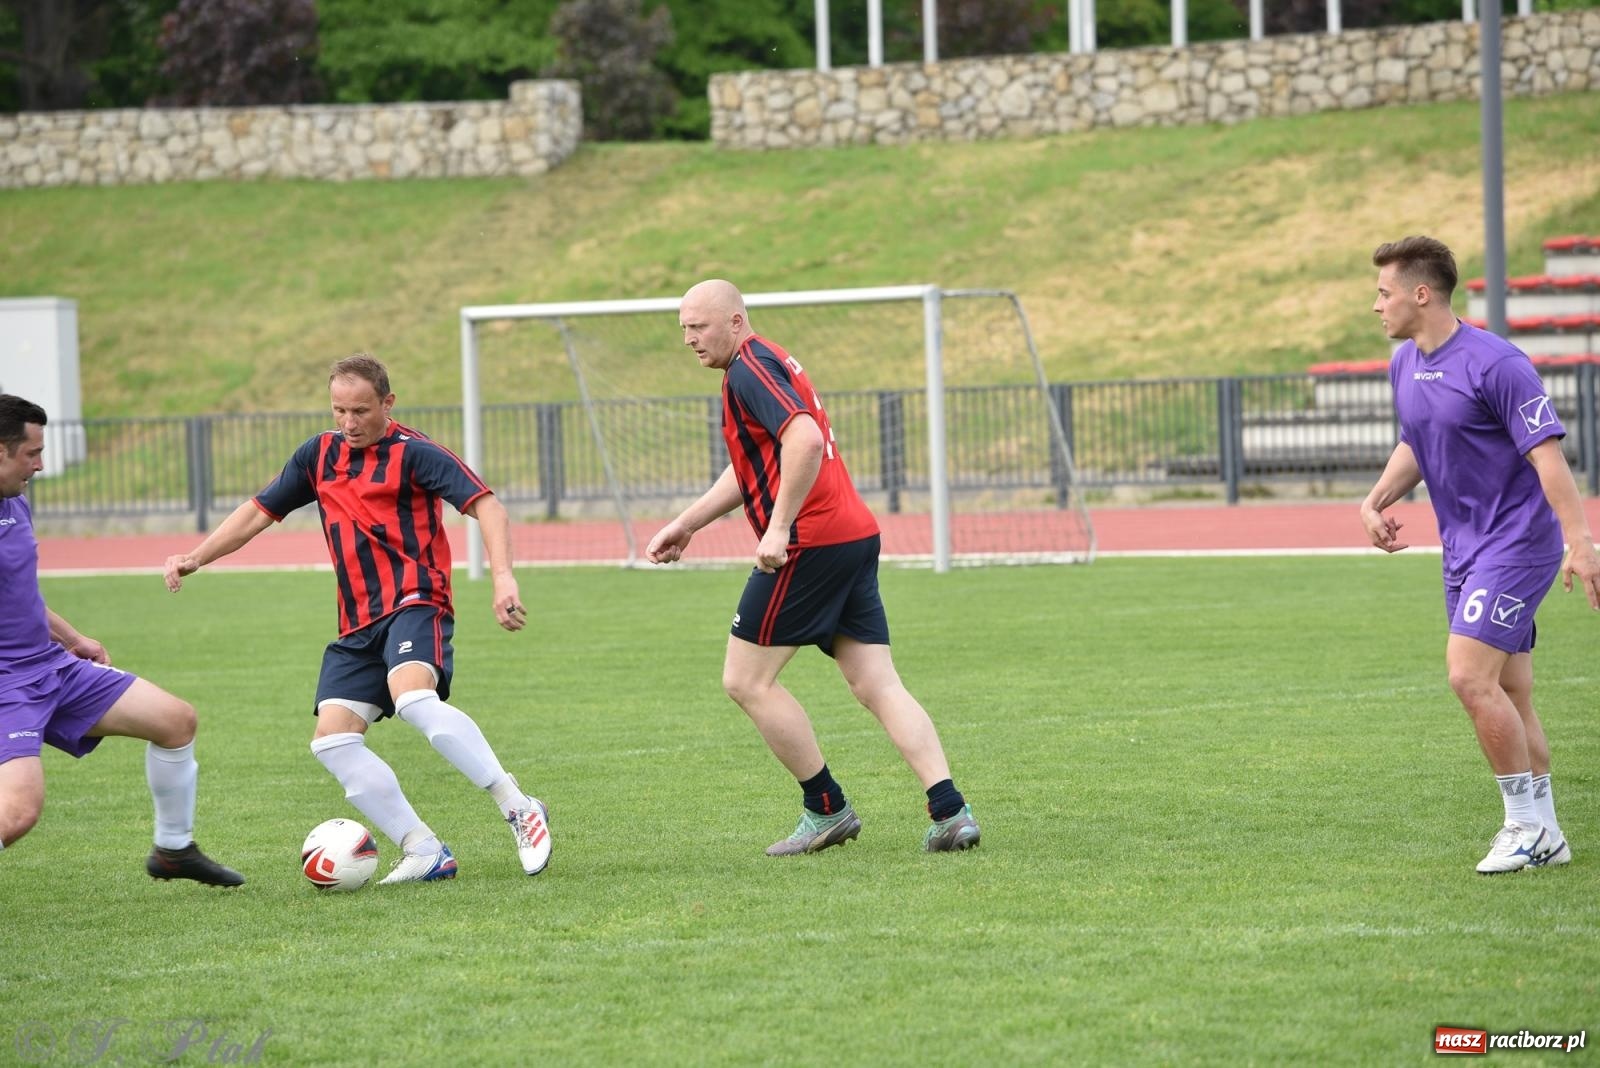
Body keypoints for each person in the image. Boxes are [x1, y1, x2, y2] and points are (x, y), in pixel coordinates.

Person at [163, 354, 551, 883]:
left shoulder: (416, 455)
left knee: (415, 700)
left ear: (387, 404)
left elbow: (488, 506)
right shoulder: (318, 454)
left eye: (361, 410)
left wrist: (503, 577)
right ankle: (424, 849)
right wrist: (197, 556)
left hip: (416, 602)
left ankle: (518, 805)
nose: (349, 423)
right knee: (332, 740)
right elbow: (259, 510)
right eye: (339, 410)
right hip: (357, 624)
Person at [647, 279, 980, 856]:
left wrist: (778, 530)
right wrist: (689, 522)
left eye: (698, 326)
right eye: (683, 328)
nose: (688, 340)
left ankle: (826, 809)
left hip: (811, 543)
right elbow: (758, 462)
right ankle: (950, 810)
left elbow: (800, 439)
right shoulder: (767, 360)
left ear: (734, 321)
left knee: (745, 680)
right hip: (853, 533)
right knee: (876, 681)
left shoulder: (749, 368)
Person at [1360, 235, 1600, 874]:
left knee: (1468, 676)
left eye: (1384, 293)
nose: (1375, 306)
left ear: (1421, 293)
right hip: (1463, 548)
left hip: (1518, 544)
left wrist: (1581, 542)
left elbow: (1548, 457)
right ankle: (1547, 835)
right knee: (1512, 691)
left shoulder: (1498, 364)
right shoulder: (1405, 363)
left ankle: (1522, 825)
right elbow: (1417, 438)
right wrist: (1375, 499)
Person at [0, 395, 243, 885]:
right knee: (18, 814)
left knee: (176, 721)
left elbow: (20, 595)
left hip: (52, 666)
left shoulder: (15, 502)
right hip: (8, 685)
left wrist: (73, 637)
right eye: (31, 454)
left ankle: (174, 851)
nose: (41, 465)